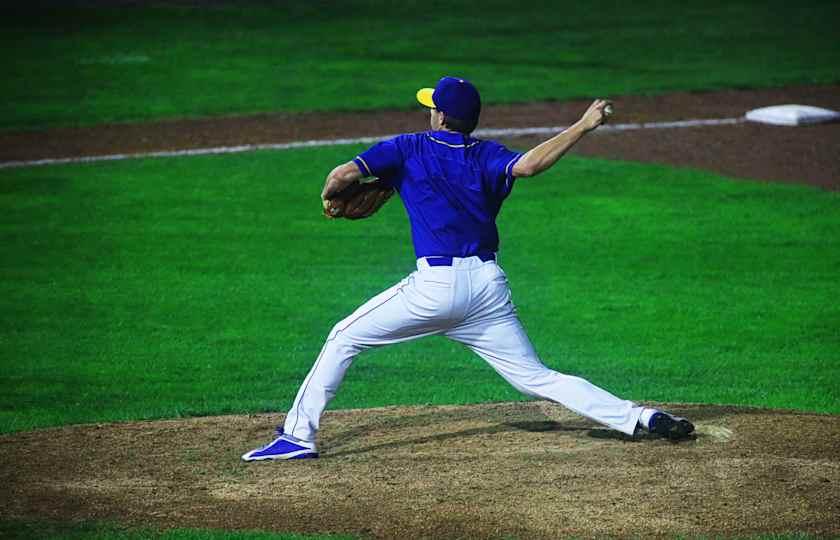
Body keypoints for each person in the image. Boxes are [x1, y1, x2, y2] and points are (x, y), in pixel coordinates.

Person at [242, 76, 694, 461]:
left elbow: (342, 176)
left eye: (431, 107)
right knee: (537, 377)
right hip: (487, 291)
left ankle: (297, 436)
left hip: (434, 290)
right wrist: (584, 124)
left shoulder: (405, 148)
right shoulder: (487, 156)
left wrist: (330, 193)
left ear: (439, 117)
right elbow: (530, 165)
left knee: (344, 336)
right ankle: (641, 417)